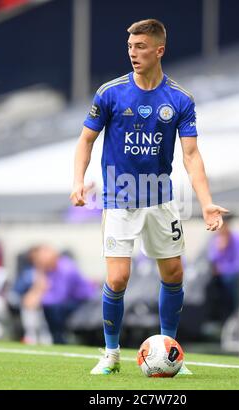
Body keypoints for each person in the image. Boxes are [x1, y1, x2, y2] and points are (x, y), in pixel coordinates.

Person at [70, 19, 229, 375]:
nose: (133, 53)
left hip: (160, 199)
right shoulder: (110, 93)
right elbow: (85, 140)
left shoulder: (180, 99)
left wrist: (205, 202)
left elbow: (191, 155)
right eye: (130, 47)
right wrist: (78, 181)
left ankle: (170, 351)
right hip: (119, 197)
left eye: (141, 46)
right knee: (117, 279)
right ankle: (111, 355)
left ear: (159, 50)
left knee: (173, 274)